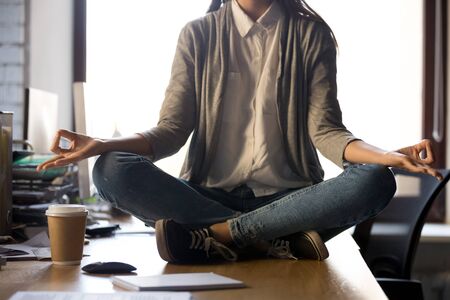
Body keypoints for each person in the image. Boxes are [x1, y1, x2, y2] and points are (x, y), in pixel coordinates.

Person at [38, 0, 442, 264]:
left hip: (293, 200)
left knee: (375, 180)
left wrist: (385, 156)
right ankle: (268, 241)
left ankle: (219, 237)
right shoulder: (198, 34)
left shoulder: (310, 34)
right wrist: (103, 144)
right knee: (110, 169)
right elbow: (171, 131)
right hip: (211, 195)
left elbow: (327, 132)